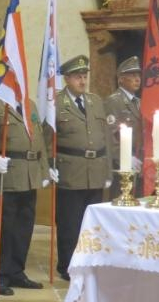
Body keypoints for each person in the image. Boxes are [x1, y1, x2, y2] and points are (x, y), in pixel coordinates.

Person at [45, 55, 112, 281]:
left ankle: (89, 261)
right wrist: (49, 165)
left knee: (91, 223)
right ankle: (68, 265)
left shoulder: (95, 101)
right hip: (70, 172)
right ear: (67, 79)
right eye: (77, 77)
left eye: (84, 77)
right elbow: (47, 139)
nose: (82, 81)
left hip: (95, 171)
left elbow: (105, 138)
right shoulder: (56, 103)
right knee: (69, 223)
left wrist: (107, 171)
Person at [0, 92, 49, 295]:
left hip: (29, 177)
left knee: (23, 230)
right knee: (3, 231)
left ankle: (16, 272)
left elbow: (39, 139)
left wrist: (43, 170)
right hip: (4, 178)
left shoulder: (29, 104)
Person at [104, 56, 143, 198]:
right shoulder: (114, 101)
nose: (137, 79)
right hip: (121, 163)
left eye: (138, 75)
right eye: (132, 75)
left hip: (139, 160)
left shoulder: (139, 102)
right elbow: (110, 135)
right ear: (121, 79)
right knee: (121, 200)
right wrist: (125, 157)